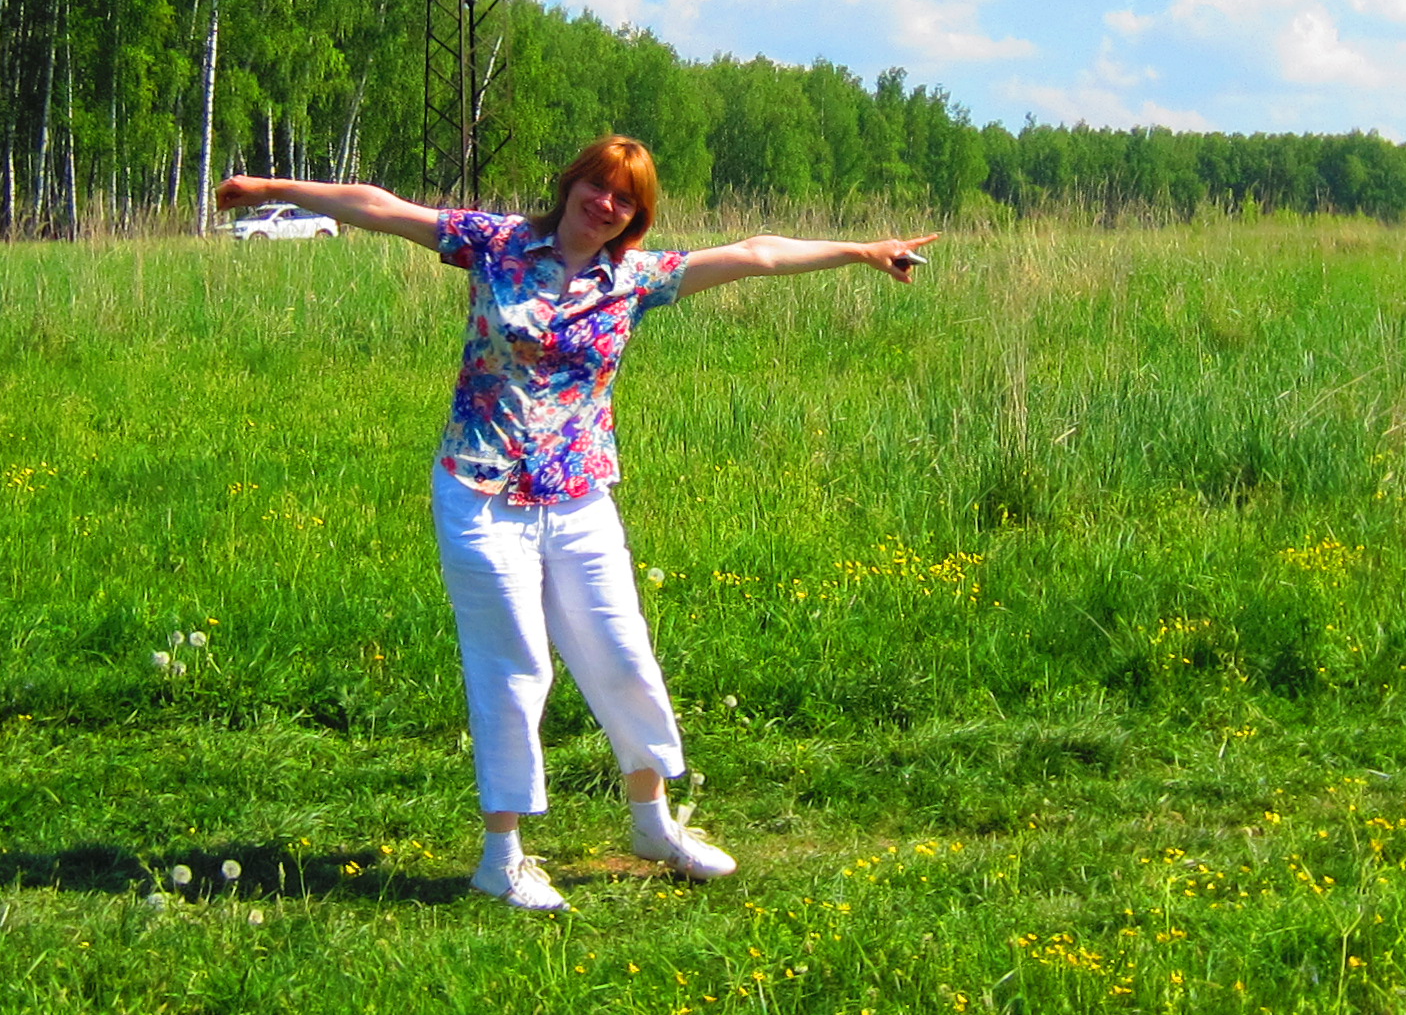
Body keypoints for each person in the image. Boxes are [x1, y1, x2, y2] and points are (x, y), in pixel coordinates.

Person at [211, 136, 938, 911]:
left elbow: (755, 253)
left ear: (636, 215)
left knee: (623, 655)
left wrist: (862, 250)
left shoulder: (635, 279)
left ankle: (652, 824)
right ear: (573, 184)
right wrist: (269, 188)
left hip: (581, 498)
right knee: (514, 668)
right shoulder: (495, 244)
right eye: (599, 185)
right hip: (481, 492)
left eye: (626, 198)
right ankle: (503, 857)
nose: (607, 204)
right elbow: (381, 207)